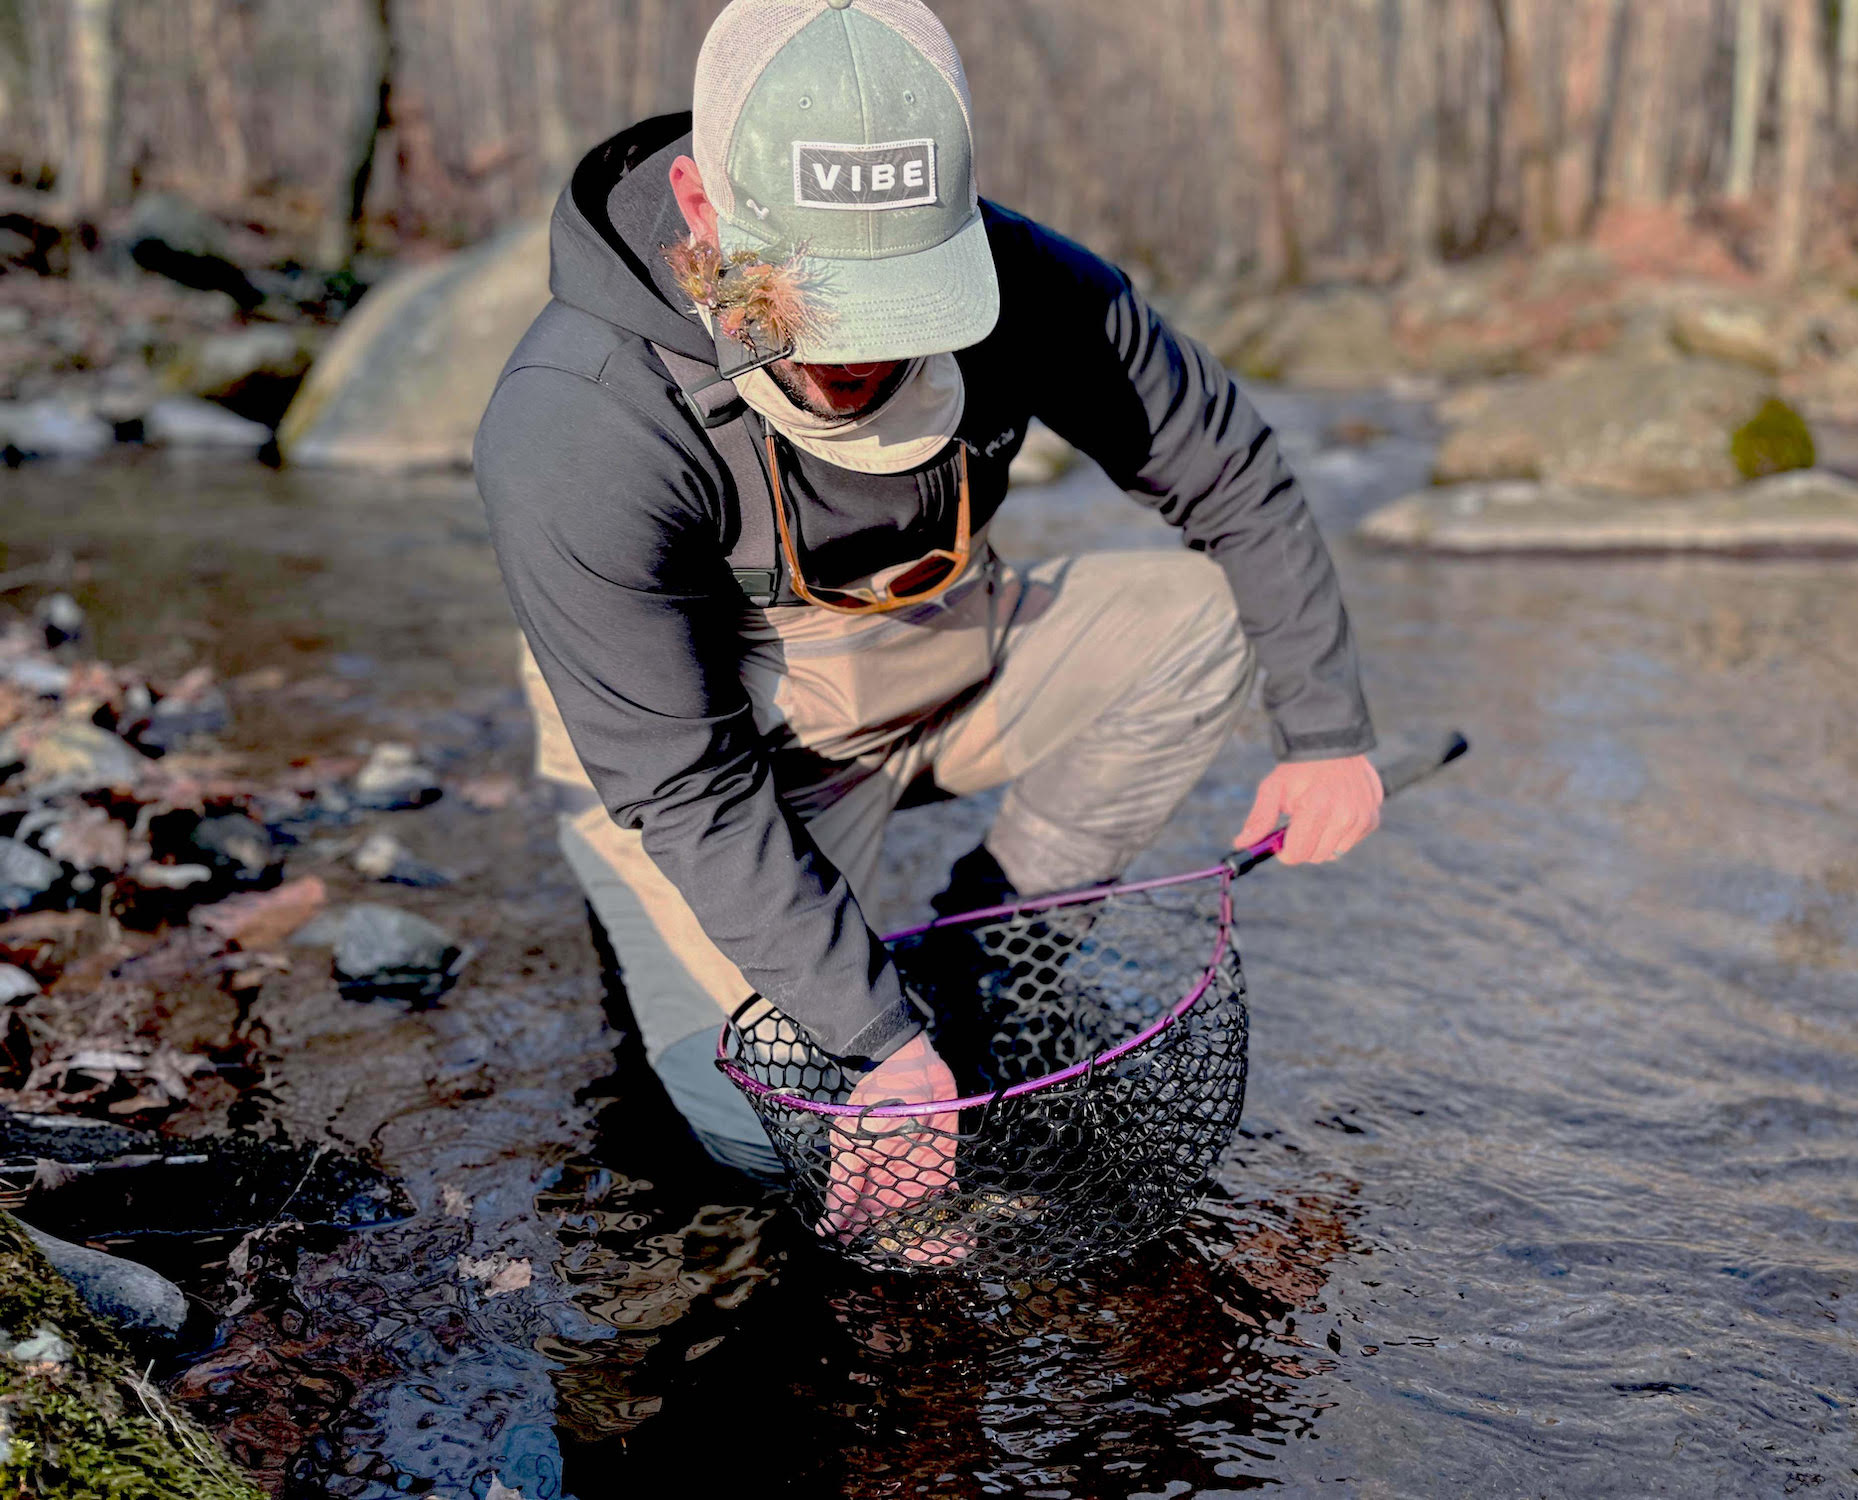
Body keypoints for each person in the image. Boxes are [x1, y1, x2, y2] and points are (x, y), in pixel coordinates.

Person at [474, 0, 1383, 1218]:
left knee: (1202, 620)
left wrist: (1324, 733)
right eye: (815, 294)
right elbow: (684, 784)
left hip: (943, 649)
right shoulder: (579, 419)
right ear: (702, 211)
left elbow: (1221, 465)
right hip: (714, 752)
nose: (859, 347)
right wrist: (874, 1043)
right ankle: (776, 984)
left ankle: (984, 939)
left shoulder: (1023, 279)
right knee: (772, 1142)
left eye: (898, 297)